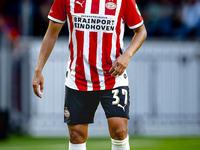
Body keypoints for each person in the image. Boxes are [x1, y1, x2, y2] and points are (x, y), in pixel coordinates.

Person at [32, 0, 147, 149]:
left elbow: (141, 31)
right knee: (76, 134)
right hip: (79, 77)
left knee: (119, 130)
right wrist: (38, 69)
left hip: (113, 76)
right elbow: (52, 33)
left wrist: (127, 55)